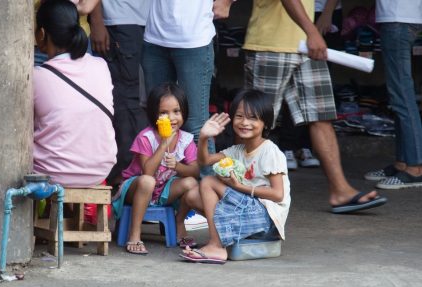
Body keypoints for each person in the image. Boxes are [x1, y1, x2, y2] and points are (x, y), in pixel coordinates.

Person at [242, 0, 387, 213]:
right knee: (253, 123)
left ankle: (341, 191)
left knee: (321, 116)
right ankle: (241, 195)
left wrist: (314, 30)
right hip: (272, 45)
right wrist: (312, 31)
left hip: (307, 46)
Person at [180, 90, 290, 264]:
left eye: (253, 118)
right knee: (192, 196)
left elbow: (278, 194)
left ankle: (216, 245)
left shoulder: (269, 151)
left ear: (266, 123)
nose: (245, 122)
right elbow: (205, 161)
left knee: (208, 181)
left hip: (266, 220)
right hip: (249, 214)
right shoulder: (237, 150)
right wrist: (203, 138)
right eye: (239, 116)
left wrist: (239, 187)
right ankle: (223, 239)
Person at [33, 0, 116, 188]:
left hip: (52, 173)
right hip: (99, 171)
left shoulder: (37, 77)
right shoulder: (101, 66)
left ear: (42, 34)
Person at [112, 83, 201, 255]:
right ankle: (135, 234)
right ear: (154, 114)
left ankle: (179, 223)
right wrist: (164, 144)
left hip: (163, 190)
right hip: (136, 188)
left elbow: (195, 171)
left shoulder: (186, 140)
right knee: (147, 181)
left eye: (176, 111)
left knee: (190, 182)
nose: (172, 118)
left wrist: (177, 166)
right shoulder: (146, 137)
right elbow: (147, 172)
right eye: (163, 113)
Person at [141, 0, 236, 158]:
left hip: (194, 40)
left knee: (195, 124)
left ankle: (206, 180)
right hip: (154, 37)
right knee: (158, 119)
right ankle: (162, 179)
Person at [89, 0, 151, 186]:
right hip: (120, 21)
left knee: (139, 100)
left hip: (145, 24)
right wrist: (97, 21)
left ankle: (130, 177)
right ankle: (122, 178)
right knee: (126, 101)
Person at [364, 0, 422, 189]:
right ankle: (402, 163)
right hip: (400, 18)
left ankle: (415, 168)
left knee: (402, 97)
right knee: (400, 97)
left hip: (399, 18)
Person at [278, 0, 342, 170]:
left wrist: (327, 13)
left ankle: (305, 147)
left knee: (316, 93)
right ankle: (287, 146)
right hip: (291, 14)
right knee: (288, 85)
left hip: (322, 13)